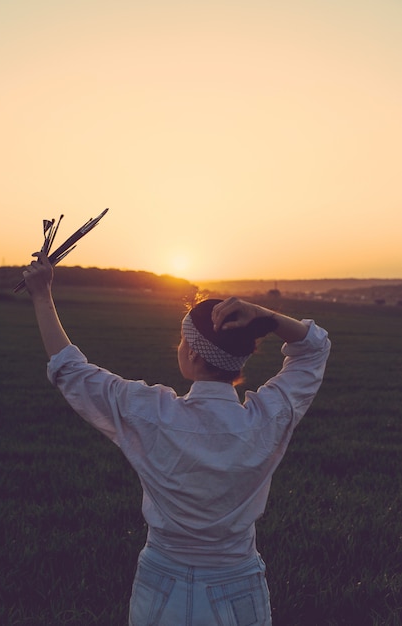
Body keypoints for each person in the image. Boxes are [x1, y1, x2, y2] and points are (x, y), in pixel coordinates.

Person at [23, 251, 331, 626]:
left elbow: (71, 370)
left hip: (161, 584)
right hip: (237, 585)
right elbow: (313, 348)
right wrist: (261, 315)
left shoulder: (148, 412)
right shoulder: (268, 418)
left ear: (195, 357)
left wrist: (42, 295)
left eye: (183, 341)